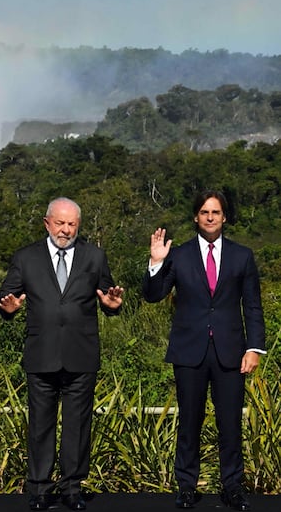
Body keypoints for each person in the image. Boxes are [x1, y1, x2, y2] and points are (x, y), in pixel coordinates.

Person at [0, 197, 123, 511]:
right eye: (60, 223)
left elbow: (108, 297)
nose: (65, 230)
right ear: (46, 223)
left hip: (82, 354)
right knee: (40, 425)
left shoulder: (95, 256)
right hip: (41, 354)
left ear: (78, 226)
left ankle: (72, 488)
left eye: (72, 224)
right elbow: (6, 296)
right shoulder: (26, 258)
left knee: (78, 425)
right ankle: (39, 489)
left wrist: (112, 306)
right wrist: (8, 307)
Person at [142, 190, 264, 512]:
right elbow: (154, 295)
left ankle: (233, 487)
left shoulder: (242, 256)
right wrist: (156, 263)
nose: (210, 217)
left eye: (216, 212)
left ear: (225, 217)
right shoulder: (178, 255)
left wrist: (254, 348)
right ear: (196, 217)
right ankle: (186, 486)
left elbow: (252, 305)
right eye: (205, 212)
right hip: (189, 352)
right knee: (189, 422)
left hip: (230, 352)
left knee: (230, 424)